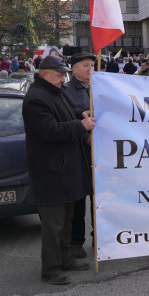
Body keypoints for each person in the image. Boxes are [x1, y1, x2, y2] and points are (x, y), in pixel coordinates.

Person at [23, 54, 95, 284]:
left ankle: (67, 258)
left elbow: (66, 113)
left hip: (65, 168)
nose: (63, 79)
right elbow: (50, 131)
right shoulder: (36, 98)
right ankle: (51, 268)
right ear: (45, 74)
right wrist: (80, 125)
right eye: (59, 75)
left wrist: (80, 114)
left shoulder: (54, 91)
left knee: (66, 220)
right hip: (51, 171)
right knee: (53, 225)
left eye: (64, 75)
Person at [62, 51, 97, 259]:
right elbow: (68, 120)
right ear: (74, 70)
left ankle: (99, 237)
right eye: (85, 65)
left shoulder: (101, 87)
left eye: (92, 65)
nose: (90, 69)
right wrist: (86, 137)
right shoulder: (66, 92)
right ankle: (76, 242)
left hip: (102, 154)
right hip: (80, 153)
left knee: (100, 199)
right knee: (78, 202)